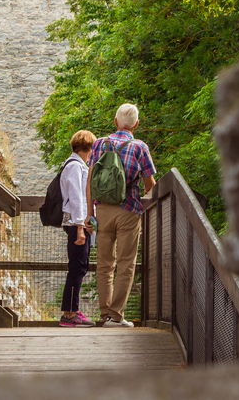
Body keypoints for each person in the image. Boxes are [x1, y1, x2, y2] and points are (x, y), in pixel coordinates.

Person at [88, 103, 156, 327]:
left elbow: (89, 181)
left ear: (115, 122)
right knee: (126, 264)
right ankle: (116, 316)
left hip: (103, 210)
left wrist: (90, 213)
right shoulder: (139, 147)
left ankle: (103, 313)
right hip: (129, 210)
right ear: (136, 124)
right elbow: (150, 185)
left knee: (104, 265)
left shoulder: (99, 144)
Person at [58, 129, 97, 327]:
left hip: (78, 224)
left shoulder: (76, 165)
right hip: (76, 225)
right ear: (88, 147)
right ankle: (69, 314)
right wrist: (81, 227)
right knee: (76, 268)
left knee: (79, 267)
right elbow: (76, 198)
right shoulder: (74, 166)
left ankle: (72, 310)